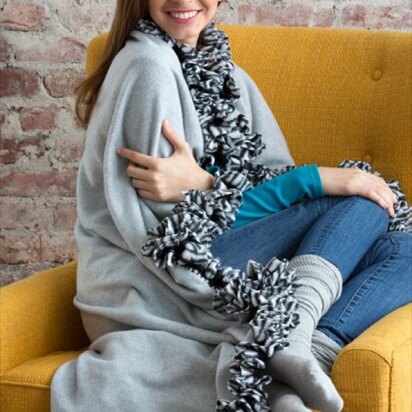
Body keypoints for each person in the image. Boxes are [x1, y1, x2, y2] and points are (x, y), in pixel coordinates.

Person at [50, 1, 412, 411]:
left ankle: (303, 352)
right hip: (158, 282)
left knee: (403, 248)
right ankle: (286, 337)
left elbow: (263, 177)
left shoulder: (224, 72)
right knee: (362, 199)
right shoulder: (148, 66)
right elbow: (175, 235)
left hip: (218, 247)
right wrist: (312, 179)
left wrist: (204, 183)